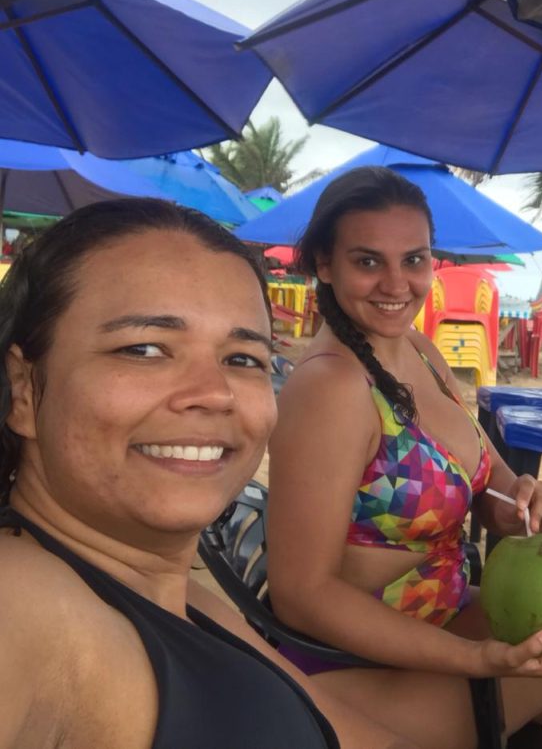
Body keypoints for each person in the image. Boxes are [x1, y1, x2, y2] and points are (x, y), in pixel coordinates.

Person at [267, 167, 542, 749]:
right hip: (358, 671)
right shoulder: (330, 388)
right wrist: (473, 657)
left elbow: (480, 475)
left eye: (415, 259)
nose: (396, 283)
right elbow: (302, 594)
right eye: (368, 261)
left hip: (442, 618)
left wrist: (515, 498)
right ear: (325, 264)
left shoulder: (419, 352)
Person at [0, 199, 413, 749]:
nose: (214, 393)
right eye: (144, 349)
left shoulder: (177, 591)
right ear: (25, 389)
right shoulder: (22, 599)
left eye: (242, 358)